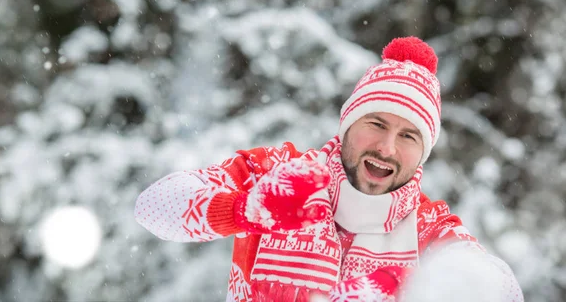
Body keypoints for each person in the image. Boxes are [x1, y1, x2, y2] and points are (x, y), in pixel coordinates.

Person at [135, 37, 523, 302]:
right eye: (376, 124)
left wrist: (412, 286)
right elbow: (152, 208)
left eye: (408, 136)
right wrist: (243, 211)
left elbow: (502, 289)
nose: (386, 148)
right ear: (347, 125)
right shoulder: (278, 174)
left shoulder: (427, 226)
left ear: (422, 154)